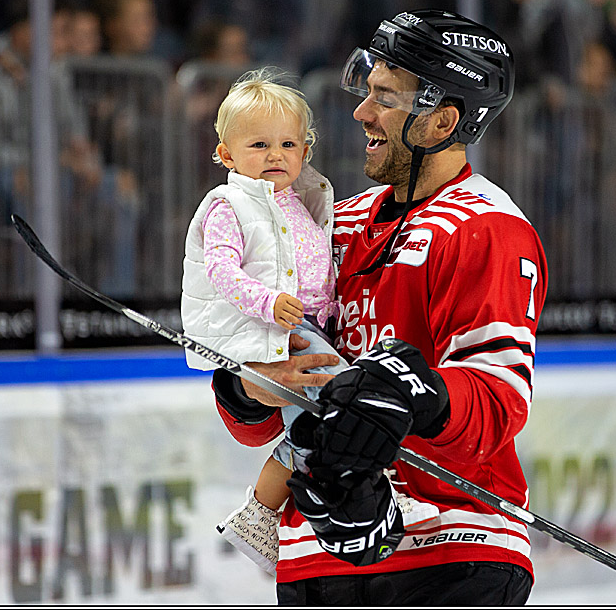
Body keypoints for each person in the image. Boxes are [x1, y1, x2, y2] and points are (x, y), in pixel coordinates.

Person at [209, 10, 547, 605]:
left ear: (442, 120)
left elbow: (498, 404)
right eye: (367, 91)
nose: (363, 112)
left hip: (451, 553)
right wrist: (246, 386)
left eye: (386, 99)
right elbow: (253, 422)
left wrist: (418, 392)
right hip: (319, 555)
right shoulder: (330, 225)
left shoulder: (486, 228)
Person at [180, 67, 438, 574]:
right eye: (258, 145)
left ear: (305, 151)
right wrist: (269, 303)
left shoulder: (305, 203)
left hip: (302, 325)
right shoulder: (228, 204)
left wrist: (326, 309)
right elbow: (221, 271)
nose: (275, 156)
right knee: (349, 398)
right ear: (226, 155)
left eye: (288, 144)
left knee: (319, 427)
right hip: (269, 330)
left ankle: (259, 512)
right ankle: (360, 492)